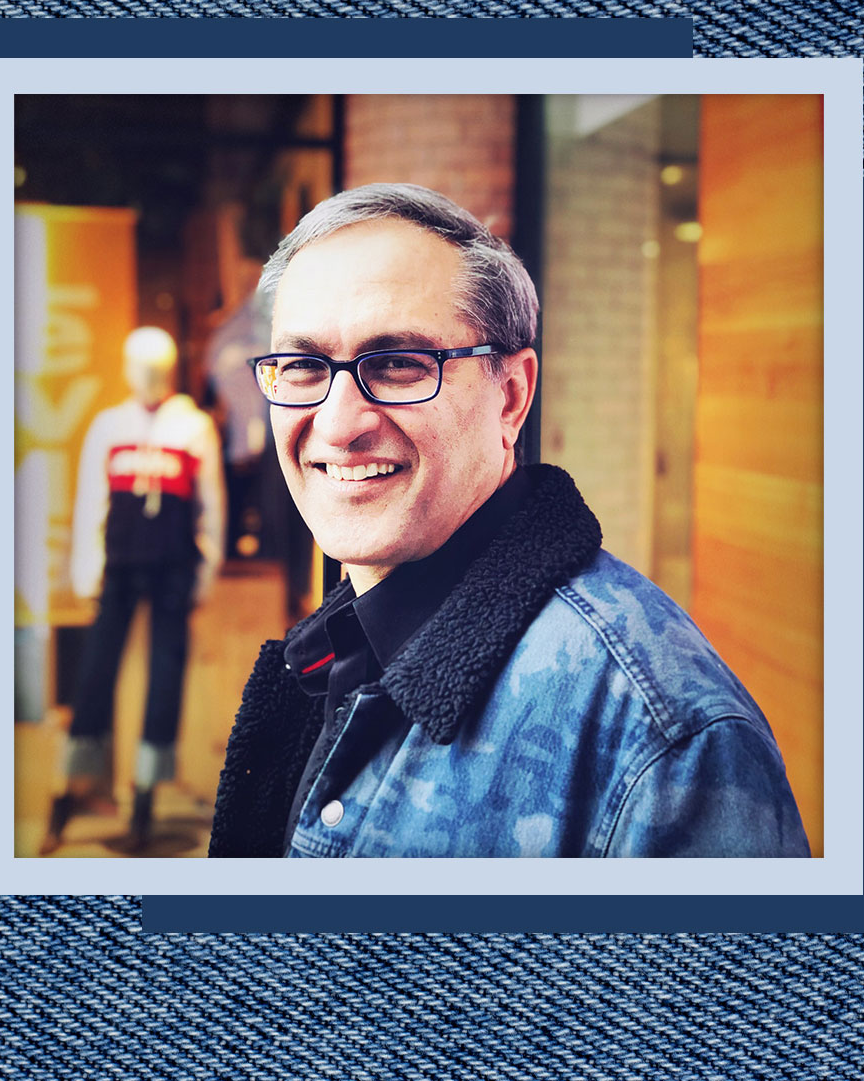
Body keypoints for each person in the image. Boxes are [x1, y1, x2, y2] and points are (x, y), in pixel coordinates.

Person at [208, 184, 810, 858]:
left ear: (512, 396)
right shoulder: (341, 645)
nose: (340, 423)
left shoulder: (664, 743)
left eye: (401, 364)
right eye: (302, 366)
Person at [44, 327, 223, 852]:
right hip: (119, 569)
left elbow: (210, 508)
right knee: (94, 676)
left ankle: (145, 797)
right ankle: (67, 790)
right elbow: (91, 504)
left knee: (165, 681)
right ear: (126, 369)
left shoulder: (193, 428)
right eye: (140, 367)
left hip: (172, 569)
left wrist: (204, 573)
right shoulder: (109, 426)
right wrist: (87, 569)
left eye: (158, 368)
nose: (149, 378)